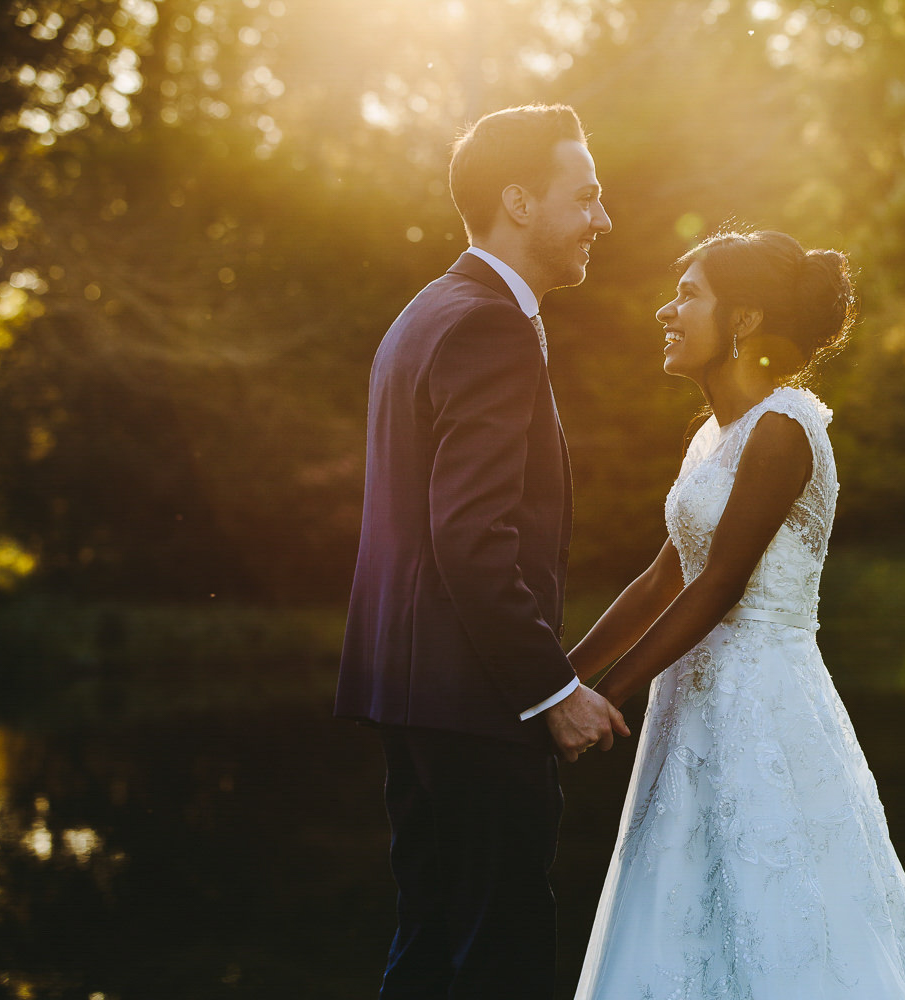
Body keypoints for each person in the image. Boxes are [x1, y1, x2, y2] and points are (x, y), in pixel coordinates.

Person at [571, 230, 905, 996]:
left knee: (780, 904)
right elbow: (662, 581)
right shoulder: (708, 440)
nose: (667, 310)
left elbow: (719, 584)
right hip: (688, 708)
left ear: (745, 321)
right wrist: (561, 683)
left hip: (763, 699)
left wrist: (608, 696)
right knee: (686, 904)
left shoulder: (785, 428)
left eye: (689, 294)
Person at [334, 103, 628, 999]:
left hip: (415, 691)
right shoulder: (490, 325)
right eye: (586, 197)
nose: (602, 220)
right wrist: (553, 688)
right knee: (497, 956)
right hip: (474, 702)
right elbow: (470, 537)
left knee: (427, 948)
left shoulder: (427, 310)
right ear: (520, 202)